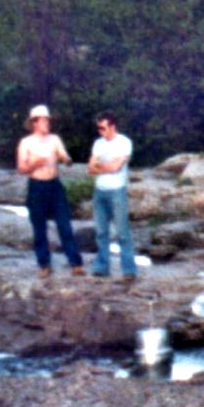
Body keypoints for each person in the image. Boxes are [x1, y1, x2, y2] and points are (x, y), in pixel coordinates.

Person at [15, 105, 84, 279]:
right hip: (37, 187)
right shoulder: (26, 142)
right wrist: (35, 164)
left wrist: (66, 159)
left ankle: (75, 262)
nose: (47, 123)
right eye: (44, 120)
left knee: (64, 224)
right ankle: (44, 264)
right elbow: (21, 169)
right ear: (35, 122)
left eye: (48, 120)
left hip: (55, 185)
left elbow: (64, 155)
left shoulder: (54, 139)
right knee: (39, 227)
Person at [88, 110, 138, 280]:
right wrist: (105, 166)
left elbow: (116, 167)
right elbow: (90, 168)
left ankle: (129, 270)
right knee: (101, 232)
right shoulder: (98, 144)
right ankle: (102, 267)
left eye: (102, 128)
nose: (100, 131)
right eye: (98, 128)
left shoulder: (124, 142)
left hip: (117, 191)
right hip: (99, 191)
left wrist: (101, 166)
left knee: (122, 232)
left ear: (112, 126)